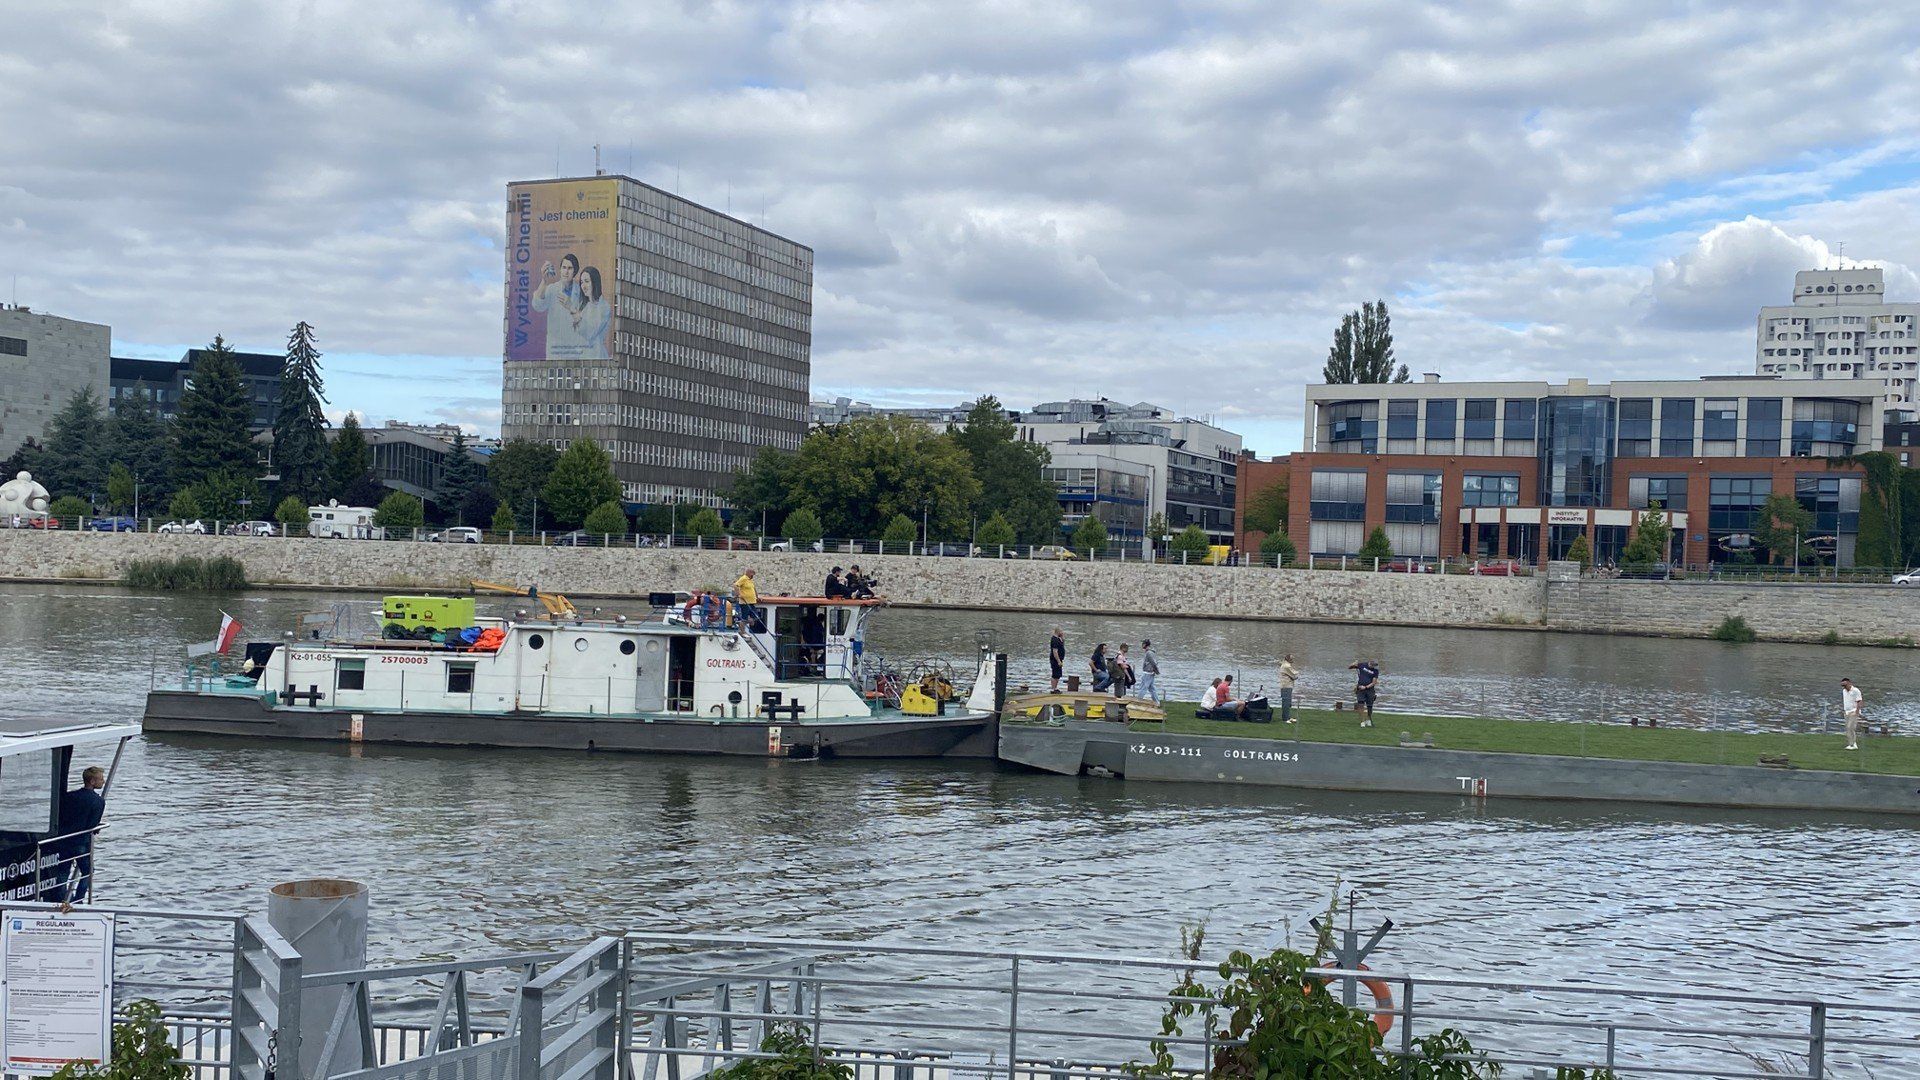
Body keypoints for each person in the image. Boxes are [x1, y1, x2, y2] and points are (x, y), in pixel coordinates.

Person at [51, 766, 106, 903]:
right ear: (92, 781)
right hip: (81, 842)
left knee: (63, 871)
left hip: (65, 840)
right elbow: (93, 824)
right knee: (88, 871)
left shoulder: (70, 797)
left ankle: (61, 899)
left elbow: (62, 817)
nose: (103, 781)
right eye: (101, 779)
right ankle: (79, 898)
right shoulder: (98, 801)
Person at [530, 253, 583, 358]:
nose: (566, 272)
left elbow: (584, 319)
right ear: (560, 269)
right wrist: (544, 281)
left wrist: (572, 307)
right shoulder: (552, 289)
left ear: (575, 271)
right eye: (563, 268)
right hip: (555, 348)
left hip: (574, 348)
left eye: (570, 268)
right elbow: (537, 306)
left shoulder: (581, 292)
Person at [569, 265, 612, 359]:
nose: (583, 286)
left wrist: (576, 315)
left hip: (596, 357)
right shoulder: (584, 307)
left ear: (595, 282)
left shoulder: (604, 307)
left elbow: (591, 333)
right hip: (581, 357)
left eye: (587, 281)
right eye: (581, 282)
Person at [1348, 659, 1380, 727]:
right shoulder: (1362, 665)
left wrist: (1365, 687)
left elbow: (1374, 682)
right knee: (1360, 704)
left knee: (1369, 706)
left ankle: (1368, 719)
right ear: (1370, 663)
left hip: (1370, 690)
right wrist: (1353, 664)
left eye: (1375, 666)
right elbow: (1350, 667)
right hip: (1360, 689)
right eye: (1373, 666)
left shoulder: (1375, 671)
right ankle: (1362, 721)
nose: (1373, 667)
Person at [1841, 677, 1864, 751]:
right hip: (1847, 712)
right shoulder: (1844, 691)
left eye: (1845, 685)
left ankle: (1853, 744)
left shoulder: (1855, 690)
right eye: (1843, 686)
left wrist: (1857, 711)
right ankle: (1851, 743)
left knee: (1850, 727)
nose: (1844, 687)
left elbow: (1859, 701)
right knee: (1847, 728)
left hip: (1853, 711)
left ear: (1849, 683)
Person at [1138, 639, 1162, 704]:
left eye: (1143, 643)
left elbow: (1153, 663)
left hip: (1148, 673)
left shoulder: (1149, 653)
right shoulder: (1151, 652)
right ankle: (1157, 702)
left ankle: (1138, 701)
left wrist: (1156, 671)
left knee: (1142, 688)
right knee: (1152, 689)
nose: (1142, 645)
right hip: (1150, 673)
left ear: (1145, 644)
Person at [1278, 654, 1300, 723]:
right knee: (1286, 702)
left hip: (1287, 686)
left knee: (1288, 702)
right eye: (1292, 658)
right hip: (1286, 686)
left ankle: (1288, 717)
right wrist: (1297, 673)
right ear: (1288, 659)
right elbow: (1294, 676)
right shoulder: (1286, 666)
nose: (1293, 660)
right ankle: (1285, 719)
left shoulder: (1286, 665)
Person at [1048, 628, 1066, 692]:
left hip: (1060, 659)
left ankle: (1055, 688)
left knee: (1058, 674)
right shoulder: (1054, 640)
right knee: (1055, 674)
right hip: (1055, 660)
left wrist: (1062, 638)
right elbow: (1055, 651)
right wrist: (1058, 661)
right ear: (1058, 632)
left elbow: (1062, 645)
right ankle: (1053, 688)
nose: (1063, 632)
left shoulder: (1058, 639)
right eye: (1062, 631)